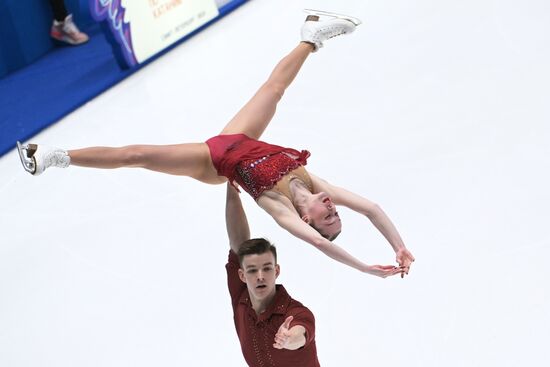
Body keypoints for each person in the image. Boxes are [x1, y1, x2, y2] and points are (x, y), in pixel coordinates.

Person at [17, 10, 415, 277]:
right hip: (239, 140)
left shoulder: (282, 211)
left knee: (137, 155)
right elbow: (372, 208)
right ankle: (311, 36)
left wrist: (366, 268)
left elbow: (319, 245)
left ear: (307, 220)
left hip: (215, 162)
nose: (331, 206)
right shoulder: (315, 187)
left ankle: (53, 157)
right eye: (335, 212)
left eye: (327, 217)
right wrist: (398, 246)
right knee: (273, 89)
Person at [225, 183, 321, 366]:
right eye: (252, 270)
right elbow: (237, 241)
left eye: (267, 268)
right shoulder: (241, 296)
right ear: (242, 275)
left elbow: (300, 332)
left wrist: (289, 339)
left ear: (276, 271)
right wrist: (231, 187)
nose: (260, 276)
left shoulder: (296, 312)